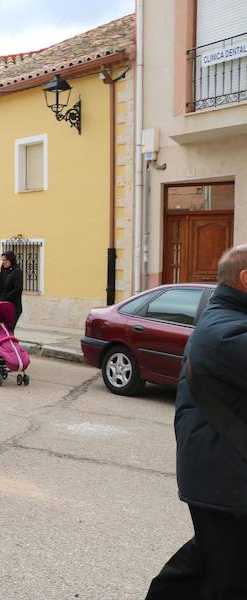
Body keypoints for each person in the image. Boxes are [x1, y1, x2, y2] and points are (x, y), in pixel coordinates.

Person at [145, 245, 247, 599]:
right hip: (225, 478)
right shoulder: (225, 332)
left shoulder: (227, 319)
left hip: (223, 472)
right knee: (227, 579)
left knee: (202, 564)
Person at [0, 250, 24, 330]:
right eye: (2, 260)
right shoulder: (4, 270)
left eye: (5, 260)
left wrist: (4, 298)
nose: (3, 262)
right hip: (3, 306)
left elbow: (18, 289)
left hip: (13, 307)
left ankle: (10, 342)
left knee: (8, 329)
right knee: (2, 330)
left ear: (11, 260)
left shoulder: (17, 271)